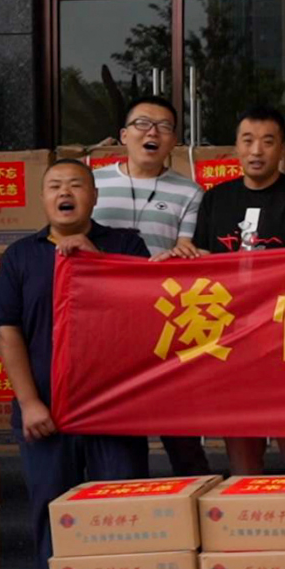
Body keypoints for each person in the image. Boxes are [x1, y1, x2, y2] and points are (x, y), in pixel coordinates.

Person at [0, 160, 152, 568]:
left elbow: (142, 315)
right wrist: (29, 403)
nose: (65, 193)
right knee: (51, 511)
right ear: (43, 199)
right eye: (55, 186)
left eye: (76, 185)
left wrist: (96, 259)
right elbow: (8, 333)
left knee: (121, 510)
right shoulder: (20, 256)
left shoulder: (126, 246)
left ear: (94, 196)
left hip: (114, 410)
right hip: (45, 411)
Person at [158, 106, 285, 476]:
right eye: (248, 141)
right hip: (230, 334)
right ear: (235, 147)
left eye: (268, 142)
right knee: (241, 443)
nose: (257, 151)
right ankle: (245, 520)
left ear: (283, 149)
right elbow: (203, 261)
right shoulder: (216, 198)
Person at [92, 94, 211, 476]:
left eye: (164, 127)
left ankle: (196, 499)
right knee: (119, 431)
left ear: (174, 142)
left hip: (164, 321)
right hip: (106, 320)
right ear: (123, 135)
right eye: (143, 124)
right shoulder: (91, 183)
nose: (153, 133)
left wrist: (180, 255)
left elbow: (188, 250)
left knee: (181, 430)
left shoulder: (190, 192)